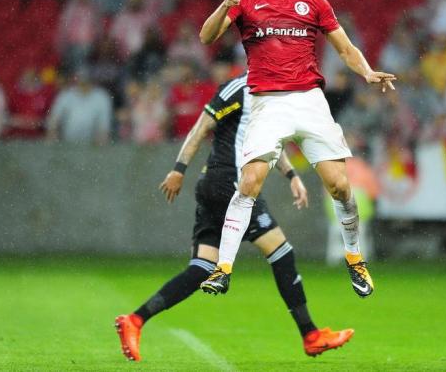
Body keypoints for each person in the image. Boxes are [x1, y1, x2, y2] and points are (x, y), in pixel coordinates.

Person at [197, 0, 396, 297]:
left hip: (309, 99)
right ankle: (222, 269)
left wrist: (366, 72)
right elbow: (206, 37)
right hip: (267, 102)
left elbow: (346, 47)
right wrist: (225, 5)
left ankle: (355, 259)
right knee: (250, 182)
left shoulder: (314, 1)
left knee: (339, 183)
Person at [114, 73, 354, 361]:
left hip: (219, 185)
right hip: (230, 183)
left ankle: (135, 320)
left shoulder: (272, 94)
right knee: (281, 253)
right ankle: (311, 335)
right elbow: (202, 127)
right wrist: (178, 169)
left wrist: (291, 175)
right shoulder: (240, 87)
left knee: (203, 267)